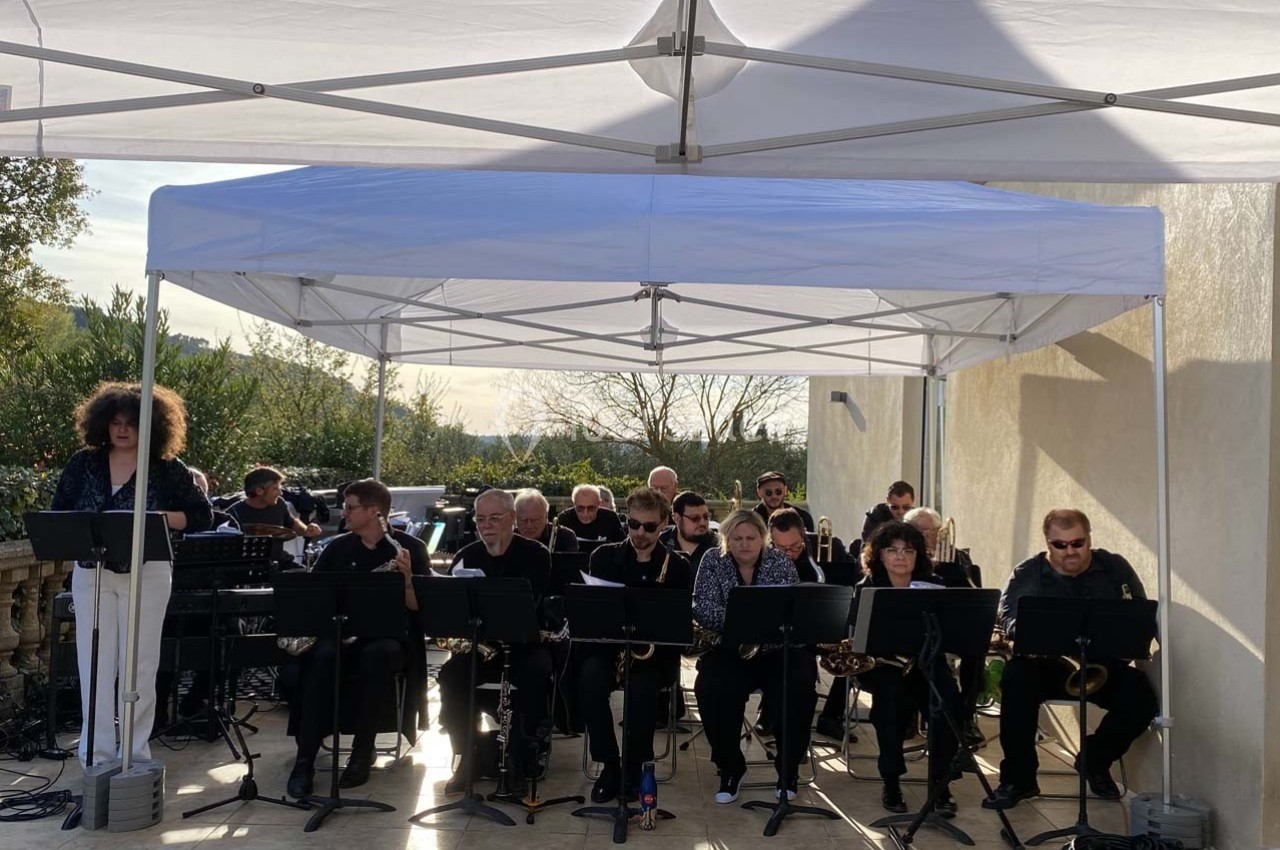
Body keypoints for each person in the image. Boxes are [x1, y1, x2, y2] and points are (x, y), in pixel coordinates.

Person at [51, 382, 212, 766]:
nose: (122, 430)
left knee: (140, 664)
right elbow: (59, 512)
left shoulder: (168, 468)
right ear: (103, 423)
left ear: (153, 426)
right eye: (116, 422)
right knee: (95, 664)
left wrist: (156, 519)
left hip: (149, 571)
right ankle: (97, 755)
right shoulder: (83, 462)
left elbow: (201, 515)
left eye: (132, 424)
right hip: (93, 571)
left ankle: (135, 753)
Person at [983, 509, 1157, 810]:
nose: (1071, 551)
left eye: (1078, 543)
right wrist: (1030, 631)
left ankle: (1094, 761)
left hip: (1100, 665)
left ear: (1089, 539)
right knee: (1015, 681)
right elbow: (1008, 616)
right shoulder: (1028, 573)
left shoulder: (1114, 568)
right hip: (1044, 666)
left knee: (1141, 698)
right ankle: (1018, 780)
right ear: (1048, 543)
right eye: (1060, 545)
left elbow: (1138, 612)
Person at [285, 478, 429, 797]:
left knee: (377, 656)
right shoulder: (338, 547)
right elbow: (313, 596)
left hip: (389, 638)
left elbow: (420, 608)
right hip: (342, 633)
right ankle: (304, 759)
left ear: (375, 512)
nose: (344, 513)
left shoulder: (411, 549)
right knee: (320, 657)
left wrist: (406, 579)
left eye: (350, 508)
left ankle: (363, 752)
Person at [437, 488, 554, 794]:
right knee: (450, 677)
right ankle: (470, 755)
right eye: (480, 519)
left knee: (537, 674)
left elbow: (535, 605)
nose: (485, 524)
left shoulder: (535, 554)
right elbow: (450, 606)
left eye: (494, 518)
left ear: (511, 519)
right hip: (480, 646)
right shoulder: (467, 555)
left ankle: (516, 757)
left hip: (524, 645)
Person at [579, 488, 692, 803]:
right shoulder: (603, 557)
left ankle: (634, 767)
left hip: (654, 655)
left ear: (665, 524)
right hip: (612, 649)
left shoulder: (677, 566)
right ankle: (609, 764)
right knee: (588, 679)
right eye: (633, 524)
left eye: (650, 527)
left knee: (642, 690)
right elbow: (592, 614)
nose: (640, 533)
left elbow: (679, 627)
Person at [693, 510, 813, 803]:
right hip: (729, 648)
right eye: (737, 538)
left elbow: (792, 610)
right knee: (710, 686)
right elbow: (702, 607)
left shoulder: (781, 562)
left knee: (801, 681)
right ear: (726, 539)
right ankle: (730, 765)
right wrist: (747, 622)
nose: (744, 544)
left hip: (774, 650)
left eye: (751, 537)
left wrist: (746, 621)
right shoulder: (712, 560)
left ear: (763, 538)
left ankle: (788, 769)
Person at [853, 520, 963, 816]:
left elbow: (953, 632)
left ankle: (940, 782)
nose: (900, 556)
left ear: (918, 556)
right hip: (882, 665)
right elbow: (858, 637)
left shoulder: (935, 586)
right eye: (892, 550)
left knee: (949, 702)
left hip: (926, 662)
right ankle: (891, 780)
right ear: (881, 555)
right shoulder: (867, 588)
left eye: (908, 550)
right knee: (888, 704)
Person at [905, 506, 985, 745]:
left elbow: (972, 597)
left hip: (949, 626)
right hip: (917, 629)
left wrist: (951, 572)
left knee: (976, 650)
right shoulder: (906, 555)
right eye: (918, 531)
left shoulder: (958, 557)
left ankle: (966, 715)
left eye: (931, 531)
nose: (925, 536)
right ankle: (911, 714)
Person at [767, 508, 847, 741]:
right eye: (781, 549)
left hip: (806, 636)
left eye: (795, 547)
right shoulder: (762, 560)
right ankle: (774, 716)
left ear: (804, 537)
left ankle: (822, 721)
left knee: (846, 655)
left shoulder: (814, 566)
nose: (789, 554)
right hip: (770, 638)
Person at [228, 466, 322, 539]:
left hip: (278, 560)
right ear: (259, 491)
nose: (280, 493)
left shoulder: (279, 504)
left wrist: (307, 530)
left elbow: (292, 524)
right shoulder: (233, 514)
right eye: (275, 489)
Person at [658, 490, 719, 572]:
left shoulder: (719, 545)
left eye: (706, 517)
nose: (702, 523)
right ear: (676, 518)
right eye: (695, 518)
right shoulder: (661, 542)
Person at [555, 484, 626, 544]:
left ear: (599, 504)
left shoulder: (610, 518)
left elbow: (622, 549)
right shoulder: (564, 519)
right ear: (574, 504)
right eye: (580, 508)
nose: (585, 513)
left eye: (591, 508)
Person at [514, 488, 579, 552]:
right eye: (523, 520)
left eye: (535, 520)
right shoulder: (508, 538)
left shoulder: (565, 537)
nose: (529, 526)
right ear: (515, 518)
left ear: (546, 517)